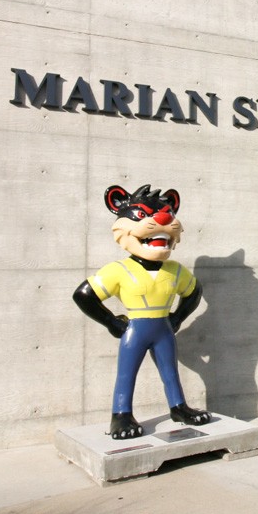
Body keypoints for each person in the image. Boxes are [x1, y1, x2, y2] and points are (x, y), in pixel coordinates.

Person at [73, 184, 211, 439]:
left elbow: (194, 293)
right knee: (126, 374)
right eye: (142, 216)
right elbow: (84, 295)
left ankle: (178, 407)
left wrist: (178, 317)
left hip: (163, 328)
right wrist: (110, 321)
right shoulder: (118, 270)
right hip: (134, 329)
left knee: (170, 371)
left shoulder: (175, 270)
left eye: (166, 213)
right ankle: (121, 415)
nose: (161, 220)